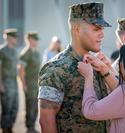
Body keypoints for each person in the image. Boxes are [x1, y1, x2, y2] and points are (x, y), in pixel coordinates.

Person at [38, 2, 111, 133]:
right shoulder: (56, 69)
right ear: (77, 29)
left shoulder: (97, 64)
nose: (102, 35)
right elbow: (46, 122)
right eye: (96, 29)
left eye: (102, 29)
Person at [18, 32, 40, 133]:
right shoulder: (25, 53)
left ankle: (33, 126)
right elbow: (21, 70)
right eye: (35, 39)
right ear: (30, 40)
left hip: (36, 84)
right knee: (30, 106)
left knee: (35, 106)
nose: (37, 41)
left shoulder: (36, 52)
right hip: (29, 84)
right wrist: (23, 84)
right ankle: (29, 127)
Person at [0, 28, 19, 133]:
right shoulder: (2, 51)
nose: (16, 39)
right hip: (6, 82)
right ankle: (5, 129)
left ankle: (10, 127)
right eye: (14, 37)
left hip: (14, 82)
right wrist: (0, 84)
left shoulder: (15, 51)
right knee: (6, 108)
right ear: (8, 38)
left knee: (15, 107)